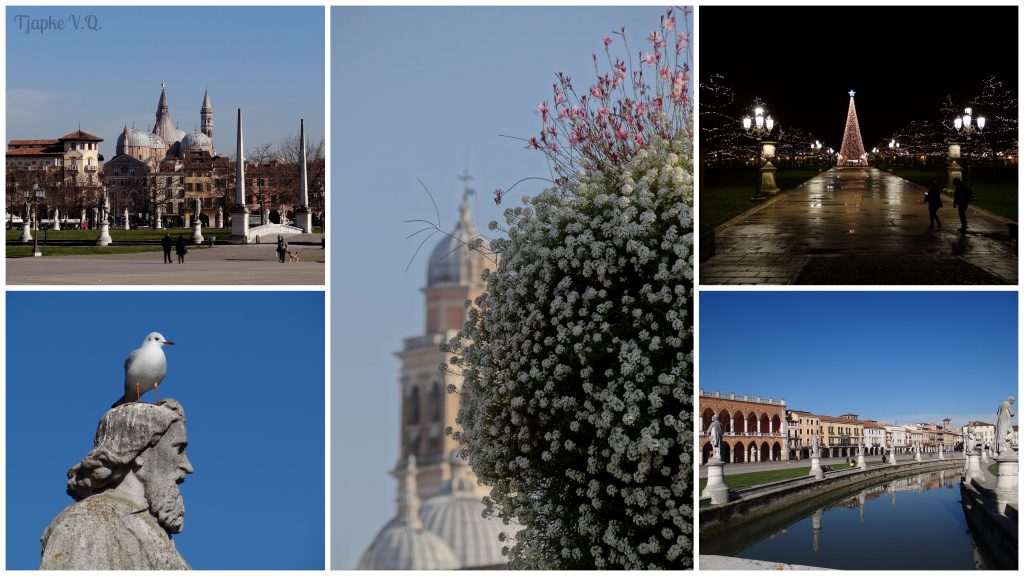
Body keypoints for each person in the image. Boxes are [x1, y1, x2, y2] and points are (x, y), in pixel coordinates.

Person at [40, 400, 192, 569]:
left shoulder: (156, 532)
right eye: (178, 449)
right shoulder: (88, 523)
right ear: (139, 452)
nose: (188, 466)